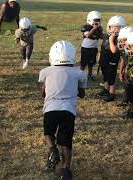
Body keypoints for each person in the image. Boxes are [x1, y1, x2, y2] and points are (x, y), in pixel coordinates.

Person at [38, 41, 87, 180]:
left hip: (50, 109)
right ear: (72, 56)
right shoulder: (79, 73)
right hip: (68, 111)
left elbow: (43, 93)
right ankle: (66, 170)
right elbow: (82, 94)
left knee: (48, 133)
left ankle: (52, 150)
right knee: (66, 142)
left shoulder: (45, 71)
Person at [98, 15, 126, 102]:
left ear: (122, 28)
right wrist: (100, 58)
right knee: (105, 76)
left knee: (111, 77)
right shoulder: (107, 36)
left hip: (112, 61)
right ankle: (106, 90)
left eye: (116, 28)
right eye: (112, 27)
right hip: (104, 59)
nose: (114, 30)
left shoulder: (120, 39)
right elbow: (103, 48)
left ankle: (112, 93)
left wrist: (111, 40)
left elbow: (114, 50)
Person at [80, 10, 103, 81]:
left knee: (91, 63)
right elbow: (87, 35)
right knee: (83, 63)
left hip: (94, 48)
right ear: (90, 20)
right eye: (96, 20)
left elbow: (101, 36)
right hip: (86, 48)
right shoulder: (86, 27)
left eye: (98, 20)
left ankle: (90, 74)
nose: (97, 22)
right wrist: (94, 29)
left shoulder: (99, 28)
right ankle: (80, 75)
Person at [117, 26, 133, 106]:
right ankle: (126, 99)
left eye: (125, 40)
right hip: (127, 69)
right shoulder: (124, 49)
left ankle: (132, 100)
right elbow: (123, 59)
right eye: (121, 40)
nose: (122, 42)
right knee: (126, 84)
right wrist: (120, 71)